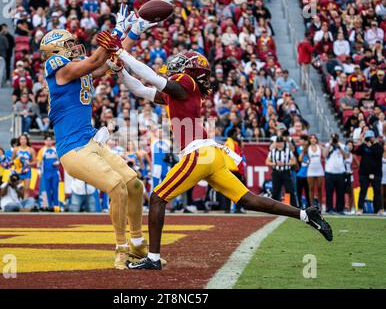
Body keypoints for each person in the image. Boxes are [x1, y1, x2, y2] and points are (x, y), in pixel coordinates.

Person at [107, 46, 332, 270]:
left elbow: (152, 78)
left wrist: (123, 54)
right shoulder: (181, 92)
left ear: (191, 69)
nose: (176, 64)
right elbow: (139, 89)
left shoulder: (187, 83)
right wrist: (120, 71)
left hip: (198, 152)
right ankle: (305, 214)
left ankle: (153, 259)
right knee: (247, 199)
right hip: (210, 155)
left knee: (157, 198)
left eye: (183, 62)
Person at [39, 9, 158, 270]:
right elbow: (95, 61)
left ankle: (138, 244)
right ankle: (121, 248)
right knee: (116, 186)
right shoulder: (57, 69)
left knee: (134, 185)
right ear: (54, 52)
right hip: (73, 149)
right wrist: (116, 30)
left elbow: (112, 58)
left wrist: (133, 32)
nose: (74, 47)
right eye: (67, 45)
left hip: (91, 141)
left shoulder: (77, 70)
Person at [354, 130, 384, 215]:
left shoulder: (378, 146)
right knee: (363, 191)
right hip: (364, 173)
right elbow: (357, 152)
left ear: (374, 138)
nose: (369, 139)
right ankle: (360, 208)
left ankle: (379, 209)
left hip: (376, 173)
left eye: (370, 138)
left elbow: (378, 155)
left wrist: (372, 146)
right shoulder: (364, 146)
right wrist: (362, 142)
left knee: (377, 191)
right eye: (368, 138)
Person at [266, 136, 298, 207]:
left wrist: (285, 163)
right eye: (278, 142)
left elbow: (294, 162)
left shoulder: (288, 151)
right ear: (276, 143)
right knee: (275, 191)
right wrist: (275, 163)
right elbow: (267, 162)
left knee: (290, 190)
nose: (280, 144)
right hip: (276, 172)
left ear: (283, 143)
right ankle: (274, 207)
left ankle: (295, 207)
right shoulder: (272, 152)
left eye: (281, 142)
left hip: (285, 172)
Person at [324, 133, 349, 214]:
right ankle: (329, 208)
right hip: (329, 172)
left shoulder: (342, 145)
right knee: (329, 192)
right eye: (333, 138)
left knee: (340, 192)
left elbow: (346, 156)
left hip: (340, 173)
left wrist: (339, 147)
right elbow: (324, 155)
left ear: (338, 139)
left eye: (336, 138)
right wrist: (330, 145)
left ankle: (340, 209)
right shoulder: (327, 145)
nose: (334, 140)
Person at [37, 135, 60, 210]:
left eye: (50, 140)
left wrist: (57, 162)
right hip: (46, 174)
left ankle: (56, 206)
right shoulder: (42, 150)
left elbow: (60, 159)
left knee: (55, 190)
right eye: (47, 140)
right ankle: (49, 206)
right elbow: (39, 162)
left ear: (52, 141)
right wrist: (39, 171)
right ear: (44, 141)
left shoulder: (56, 149)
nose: (49, 142)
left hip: (54, 173)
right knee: (47, 190)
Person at [11, 134, 36, 199]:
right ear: (19, 140)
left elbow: (35, 162)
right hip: (18, 171)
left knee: (26, 189)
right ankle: (18, 202)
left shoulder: (31, 150)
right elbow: (12, 161)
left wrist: (28, 164)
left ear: (27, 140)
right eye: (21, 139)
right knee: (17, 188)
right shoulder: (16, 149)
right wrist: (16, 163)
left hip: (27, 171)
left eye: (24, 139)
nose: (23, 140)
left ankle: (25, 204)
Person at [307, 134, 325, 208]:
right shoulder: (307, 147)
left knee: (320, 188)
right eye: (311, 138)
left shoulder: (319, 147)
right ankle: (312, 206)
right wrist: (306, 161)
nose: (313, 139)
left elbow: (324, 155)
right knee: (311, 188)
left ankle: (320, 206)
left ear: (316, 140)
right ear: (309, 140)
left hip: (319, 169)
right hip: (311, 169)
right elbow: (300, 157)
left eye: (314, 138)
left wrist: (323, 148)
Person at [344, 140, 357, 215]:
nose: (349, 146)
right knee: (343, 192)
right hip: (343, 175)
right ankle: (345, 207)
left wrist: (352, 167)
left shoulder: (353, 156)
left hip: (350, 175)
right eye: (348, 145)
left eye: (351, 145)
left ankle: (351, 208)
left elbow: (357, 165)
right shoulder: (342, 154)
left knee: (351, 192)